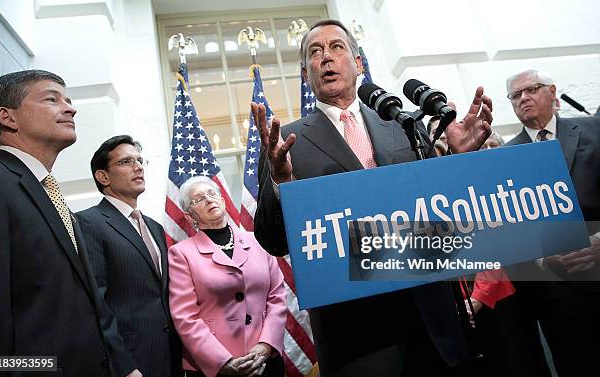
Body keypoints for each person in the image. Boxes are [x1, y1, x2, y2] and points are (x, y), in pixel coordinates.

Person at [251, 19, 493, 377]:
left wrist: (457, 158)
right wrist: (282, 181)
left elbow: (446, 214)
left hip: (433, 322)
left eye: (337, 48)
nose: (326, 58)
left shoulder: (402, 125)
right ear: (306, 74)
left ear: (359, 63)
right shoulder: (285, 142)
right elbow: (273, 240)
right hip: (357, 339)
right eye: (315, 53)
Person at [0, 70, 119, 376]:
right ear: (8, 117)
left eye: (69, 100)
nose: (71, 108)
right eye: (52, 99)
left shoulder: (47, 190)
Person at [505, 68, 600, 377]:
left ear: (552, 91)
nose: (524, 98)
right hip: (556, 297)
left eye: (531, 89)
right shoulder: (505, 158)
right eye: (516, 95)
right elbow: (510, 231)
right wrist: (543, 257)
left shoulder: (593, 131)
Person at [76, 135, 183, 377]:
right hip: (130, 363)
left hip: (171, 358)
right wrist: (124, 366)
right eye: (126, 162)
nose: (138, 167)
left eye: (139, 161)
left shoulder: (154, 227)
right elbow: (96, 303)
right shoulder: (88, 222)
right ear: (103, 176)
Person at [168, 176, 287, 377]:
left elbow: (277, 298)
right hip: (216, 367)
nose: (208, 199)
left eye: (212, 194)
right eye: (198, 199)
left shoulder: (258, 240)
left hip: (265, 361)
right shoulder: (181, 254)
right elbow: (185, 317)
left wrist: (266, 345)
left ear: (223, 200)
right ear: (189, 217)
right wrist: (222, 362)